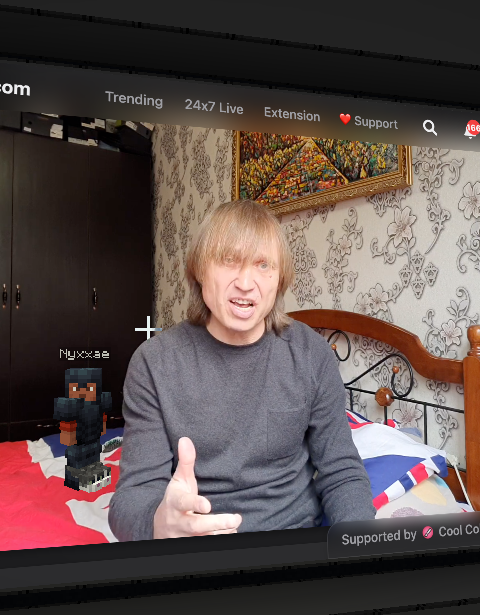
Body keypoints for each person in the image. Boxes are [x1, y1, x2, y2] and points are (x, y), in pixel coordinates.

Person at [109, 200, 375, 541]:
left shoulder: (312, 355)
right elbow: (132, 497)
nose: (246, 283)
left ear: (279, 279)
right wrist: (160, 524)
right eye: (229, 260)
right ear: (200, 271)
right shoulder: (154, 363)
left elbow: (341, 472)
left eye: (263, 265)